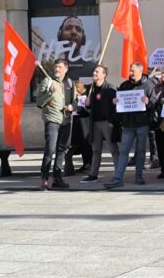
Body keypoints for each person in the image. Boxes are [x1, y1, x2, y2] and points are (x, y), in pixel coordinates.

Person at [104, 62, 157, 189]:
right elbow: (120, 101)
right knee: (124, 151)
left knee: (140, 151)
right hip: (128, 124)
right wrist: (116, 102)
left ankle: (139, 177)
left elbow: (154, 102)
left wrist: (148, 102)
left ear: (140, 71)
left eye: (133, 71)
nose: (130, 73)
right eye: (130, 70)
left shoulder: (148, 85)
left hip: (142, 124)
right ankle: (118, 178)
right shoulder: (124, 85)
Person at [35, 59, 76, 190]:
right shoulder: (47, 81)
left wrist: (72, 106)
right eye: (55, 67)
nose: (57, 69)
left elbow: (75, 101)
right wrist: (51, 92)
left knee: (62, 149)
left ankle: (57, 178)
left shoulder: (70, 83)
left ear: (66, 69)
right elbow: (39, 102)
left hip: (66, 120)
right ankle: (44, 178)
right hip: (52, 119)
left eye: (59, 67)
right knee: (50, 149)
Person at [82, 65, 118, 183]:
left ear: (104, 75)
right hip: (95, 123)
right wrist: (87, 103)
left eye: (97, 71)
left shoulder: (110, 88)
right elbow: (88, 106)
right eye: (94, 71)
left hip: (107, 123)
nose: (94, 73)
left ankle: (118, 174)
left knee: (112, 148)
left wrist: (112, 121)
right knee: (96, 150)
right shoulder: (91, 88)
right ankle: (93, 174)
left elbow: (116, 105)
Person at [150, 66, 164, 179]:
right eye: (162, 73)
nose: (163, 75)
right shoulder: (156, 87)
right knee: (161, 148)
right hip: (159, 121)